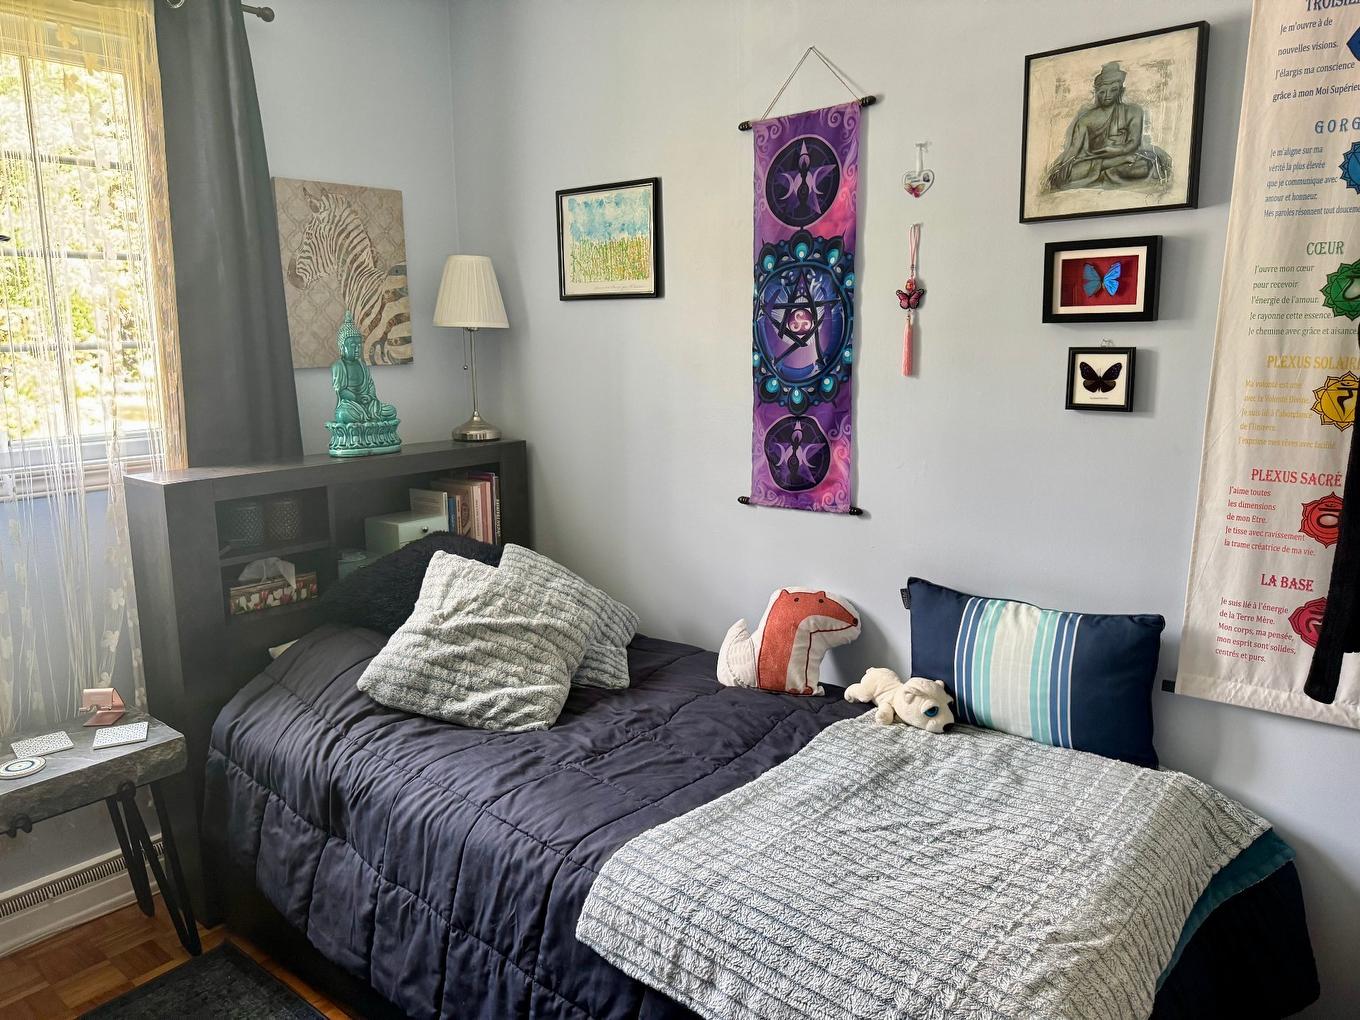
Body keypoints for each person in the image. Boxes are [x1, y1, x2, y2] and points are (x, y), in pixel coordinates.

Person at [1046, 62, 1169, 191]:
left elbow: (1133, 143)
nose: (1107, 96)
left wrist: (1114, 150)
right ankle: (1110, 168)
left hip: (1125, 158)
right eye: (1102, 92)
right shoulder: (1086, 119)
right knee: (1067, 173)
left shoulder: (1133, 111)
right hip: (1097, 160)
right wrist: (1058, 166)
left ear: (1121, 90)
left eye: (1113, 90)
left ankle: (1107, 173)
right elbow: (1073, 150)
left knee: (1144, 166)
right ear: (1096, 92)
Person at [330, 311, 397, 423]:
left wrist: (370, 396)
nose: (357, 348)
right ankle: (366, 422)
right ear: (342, 347)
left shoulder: (362, 365)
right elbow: (340, 390)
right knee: (343, 415)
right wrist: (356, 398)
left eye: (359, 344)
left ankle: (368, 419)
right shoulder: (339, 366)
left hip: (369, 404)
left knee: (391, 411)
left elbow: (370, 384)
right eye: (352, 345)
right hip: (351, 405)